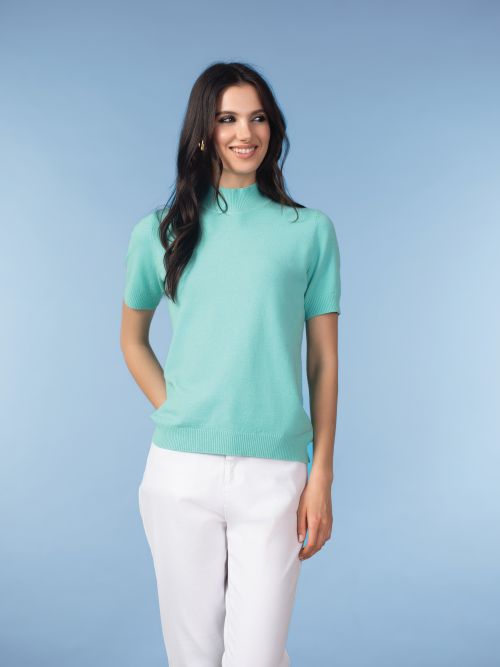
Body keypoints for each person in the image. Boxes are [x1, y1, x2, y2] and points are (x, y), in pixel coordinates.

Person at [120, 61, 341, 667]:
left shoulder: (309, 232)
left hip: (275, 475)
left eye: (258, 118)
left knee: (257, 658)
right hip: (179, 472)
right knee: (192, 658)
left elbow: (323, 362)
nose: (246, 133)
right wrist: (179, 409)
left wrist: (321, 475)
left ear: (273, 128)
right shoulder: (159, 231)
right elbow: (132, 340)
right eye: (227, 119)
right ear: (203, 133)